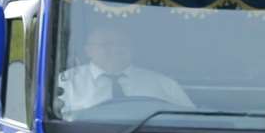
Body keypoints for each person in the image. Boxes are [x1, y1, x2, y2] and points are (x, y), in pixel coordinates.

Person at [55, 24, 192, 115]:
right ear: (88, 50)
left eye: (122, 44)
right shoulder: (66, 83)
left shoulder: (164, 84)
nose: (116, 50)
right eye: (106, 44)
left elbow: (189, 120)